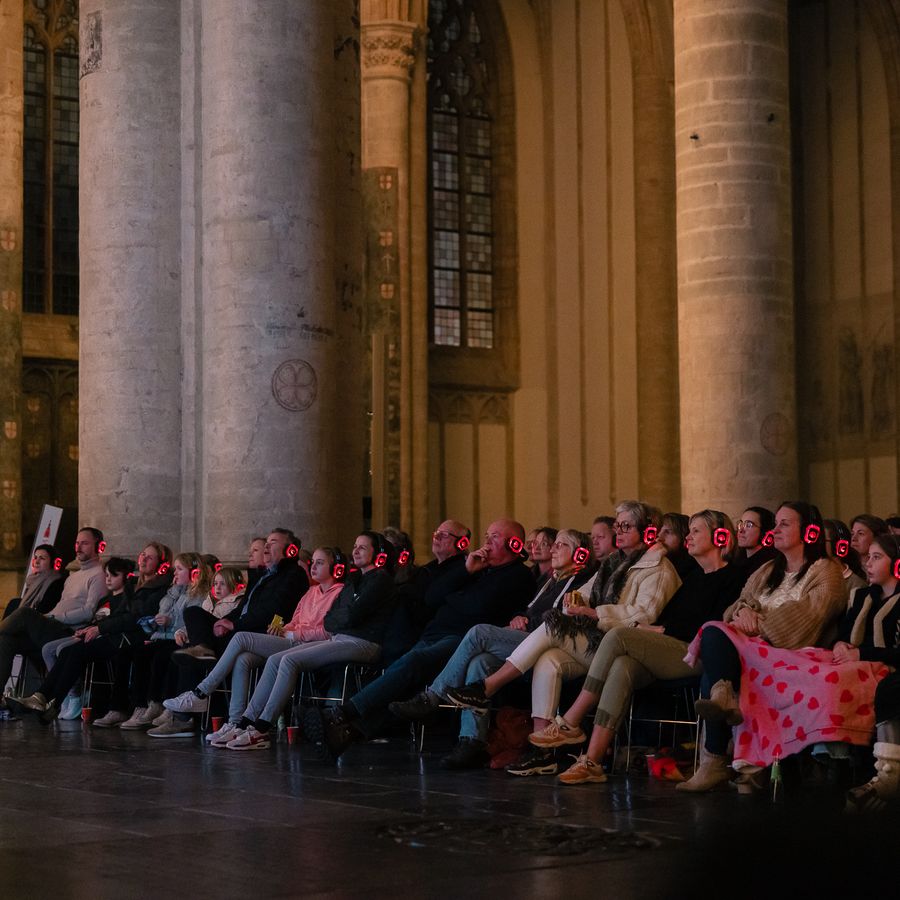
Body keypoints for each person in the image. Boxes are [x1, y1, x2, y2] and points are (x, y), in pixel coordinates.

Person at [442, 501, 681, 776]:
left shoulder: (659, 568)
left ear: (646, 531)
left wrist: (592, 612)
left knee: (550, 626)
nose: (619, 531)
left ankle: (486, 687)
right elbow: (586, 594)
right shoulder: (612, 565)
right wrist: (575, 602)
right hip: (595, 640)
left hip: (620, 646)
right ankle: (541, 751)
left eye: (626, 526)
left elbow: (645, 614)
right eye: (618, 526)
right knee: (548, 658)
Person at [526, 511, 746, 784]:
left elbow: (711, 626)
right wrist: (651, 630)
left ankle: (571, 720)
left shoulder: (735, 577)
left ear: (720, 537)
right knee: (623, 665)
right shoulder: (692, 578)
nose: (688, 536)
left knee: (619, 635)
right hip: (671, 648)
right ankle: (592, 761)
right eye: (688, 530)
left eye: (696, 531)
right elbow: (670, 621)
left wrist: (651, 631)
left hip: (700, 654)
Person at [316, 519, 535, 759]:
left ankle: (346, 712)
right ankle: (352, 731)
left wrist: (455, 598)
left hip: (461, 640)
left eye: (494, 537)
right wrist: (466, 571)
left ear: (514, 544)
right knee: (411, 682)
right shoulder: (475, 568)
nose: (486, 542)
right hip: (434, 632)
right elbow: (433, 597)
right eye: (486, 535)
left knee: (415, 662)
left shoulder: (518, 575)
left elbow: (477, 608)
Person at [389, 528, 596, 769]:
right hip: (528, 640)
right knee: (480, 662)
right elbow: (529, 610)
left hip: (547, 642)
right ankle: (472, 741)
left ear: (580, 555)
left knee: (478, 633)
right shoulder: (551, 580)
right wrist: (520, 617)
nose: (553, 549)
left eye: (561, 545)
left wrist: (527, 622)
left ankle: (433, 697)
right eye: (555, 544)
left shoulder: (581, 580)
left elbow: (561, 620)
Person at [677, 501, 847, 792]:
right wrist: (744, 613)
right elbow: (739, 602)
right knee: (716, 634)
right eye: (775, 523)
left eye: (784, 524)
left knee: (715, 640)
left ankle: (715, 759)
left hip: (791, 652)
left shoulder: (825, 571)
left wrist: (758, 621)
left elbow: (812, 616)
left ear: (808, 531)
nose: (775, 529)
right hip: (751, 646)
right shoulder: (768, 569)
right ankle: (723, 717)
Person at [164, 539, 395, 745]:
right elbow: (307, 620)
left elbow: (331, 625)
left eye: (320, 563)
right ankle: (240, 723)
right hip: (301, 638)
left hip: (318, 642)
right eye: (313, 562)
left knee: (247, 640)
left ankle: (209, 698)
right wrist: (284, 629)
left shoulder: (342, 589)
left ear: (335, 568)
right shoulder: (313, 592)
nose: (313, 567)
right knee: (247, 658)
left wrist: (296, 633)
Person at [9, 556, 138, 722]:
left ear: (126, 577)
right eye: (106, 575)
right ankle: (44, 698)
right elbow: (96, 619)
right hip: (91, 634)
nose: (108, 579)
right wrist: (85, 630)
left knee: (68, 650)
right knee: (52, 648)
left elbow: (120, 621)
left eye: (113, 575)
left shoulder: (127, 599)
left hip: (109, 638)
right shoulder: (105, 600)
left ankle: (54, 700)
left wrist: (96, 629)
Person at [90, 550, 199, 729]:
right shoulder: (171, 593)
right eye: (175, 569)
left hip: (175, 639)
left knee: (160, 657)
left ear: (193, 573)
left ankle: (159, 704)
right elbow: (158, 614)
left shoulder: (195, 594)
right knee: (132, 652)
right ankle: (135, 706)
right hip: (159, 636)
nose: (175, 573)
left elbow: (190, 619)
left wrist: (170, 622)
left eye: (179, 569)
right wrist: (152, 624)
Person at [0, 527, 107, 698]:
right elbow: (61, 606)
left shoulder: (99, 574)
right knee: (6, 639)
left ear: (99, 547)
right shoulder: (72, 577)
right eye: (77, 543)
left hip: (69, 633)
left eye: (85, 543)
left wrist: (51, 617)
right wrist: (49, 617)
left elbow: (89, 612)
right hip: (53, 626)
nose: (78, 547)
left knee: (25, 613)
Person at [176, 528, 308, 660]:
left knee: (189, 653)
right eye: (266, 542)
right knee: (192, 612)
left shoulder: (294, 574)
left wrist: (235, 625)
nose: (267, 545)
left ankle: (206, 655)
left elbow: (273, 609)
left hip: (259, 630)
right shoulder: (260, 576)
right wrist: (224, 621)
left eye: (273, 542)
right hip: (240, 626)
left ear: (290, 549)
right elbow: (242, 608)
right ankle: (204, 650)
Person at [4, 544, 65, 619]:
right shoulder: (33, 579)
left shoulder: (56, 582)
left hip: (39, 620)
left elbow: (43, 609)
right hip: (27, 616)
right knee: (14, 603)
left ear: (52, 562)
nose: (37, 562)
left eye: (42, 558)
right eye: (35, 557)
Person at [733, 506, 777, 577]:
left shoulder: (767, 567)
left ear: (764, 532)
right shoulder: (737, 560)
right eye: (740, 524)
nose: (741, 530)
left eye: (749, 525)